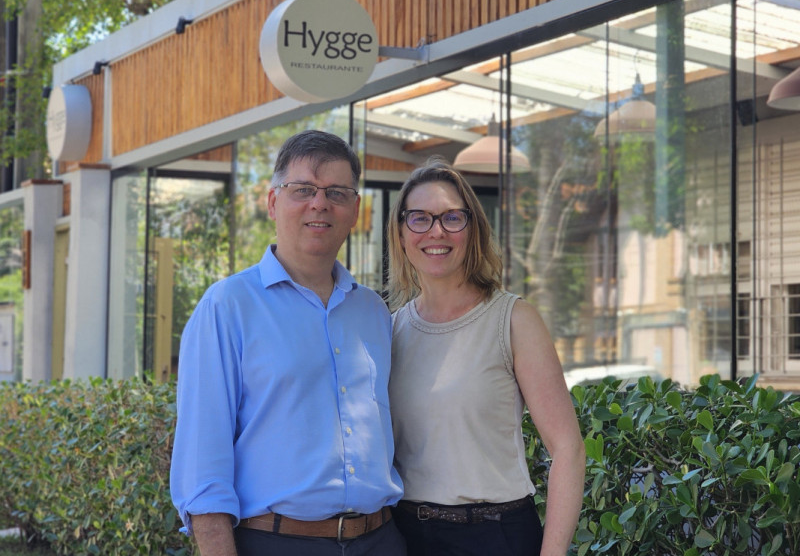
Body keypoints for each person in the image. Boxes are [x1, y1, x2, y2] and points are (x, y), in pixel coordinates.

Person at [170, 130, 405, 556]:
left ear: (355, 210)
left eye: (337, 192)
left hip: (381, 540)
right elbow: (202, 468)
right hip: (275, 542)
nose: (320, 203)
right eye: (303, 190)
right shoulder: (227, 306)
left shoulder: (373, 311)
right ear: (272, 202)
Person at [385, 159, 585, 556]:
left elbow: (568, 449)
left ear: (472, 228)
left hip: (495, 536)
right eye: (420, 218)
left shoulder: (513, 319)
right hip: (406, 537)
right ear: (401, 233)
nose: (436, 231)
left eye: (452, 217)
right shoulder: (391, 330)